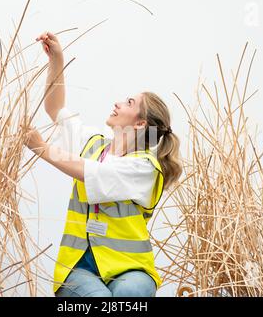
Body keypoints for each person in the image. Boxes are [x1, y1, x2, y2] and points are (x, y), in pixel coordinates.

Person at [23, 31, 182, 297]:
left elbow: (95, 173)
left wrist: (42, 148)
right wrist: (57, 61)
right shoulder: (92, 144)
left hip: (130, 268)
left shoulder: (145, 167)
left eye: (129, 102)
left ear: (141, 123)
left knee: (130, 296)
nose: (118, 103)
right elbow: (55, 109)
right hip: (78, 266)